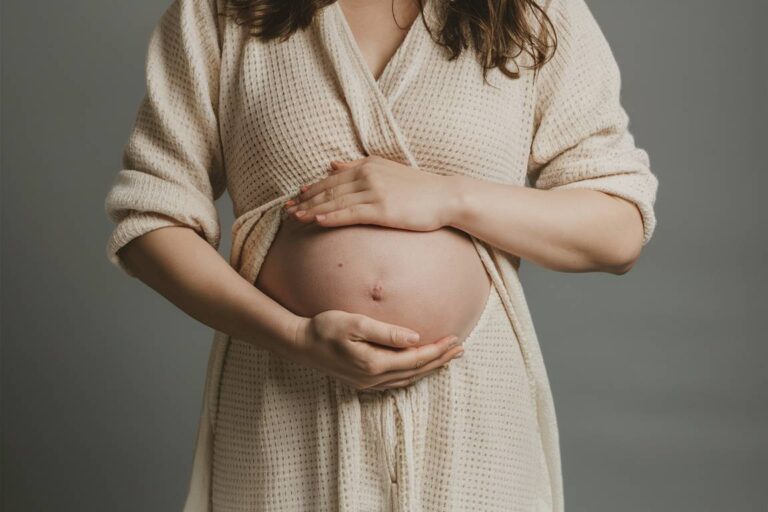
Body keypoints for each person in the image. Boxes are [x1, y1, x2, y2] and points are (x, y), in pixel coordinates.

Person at [103, 0, 658, 510]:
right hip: (284, 411)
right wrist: (293, 337)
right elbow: (152, 218)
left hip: (473, 422)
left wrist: (449, 198)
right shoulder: (221, 11)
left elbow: (618, 230)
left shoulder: (532, 9)